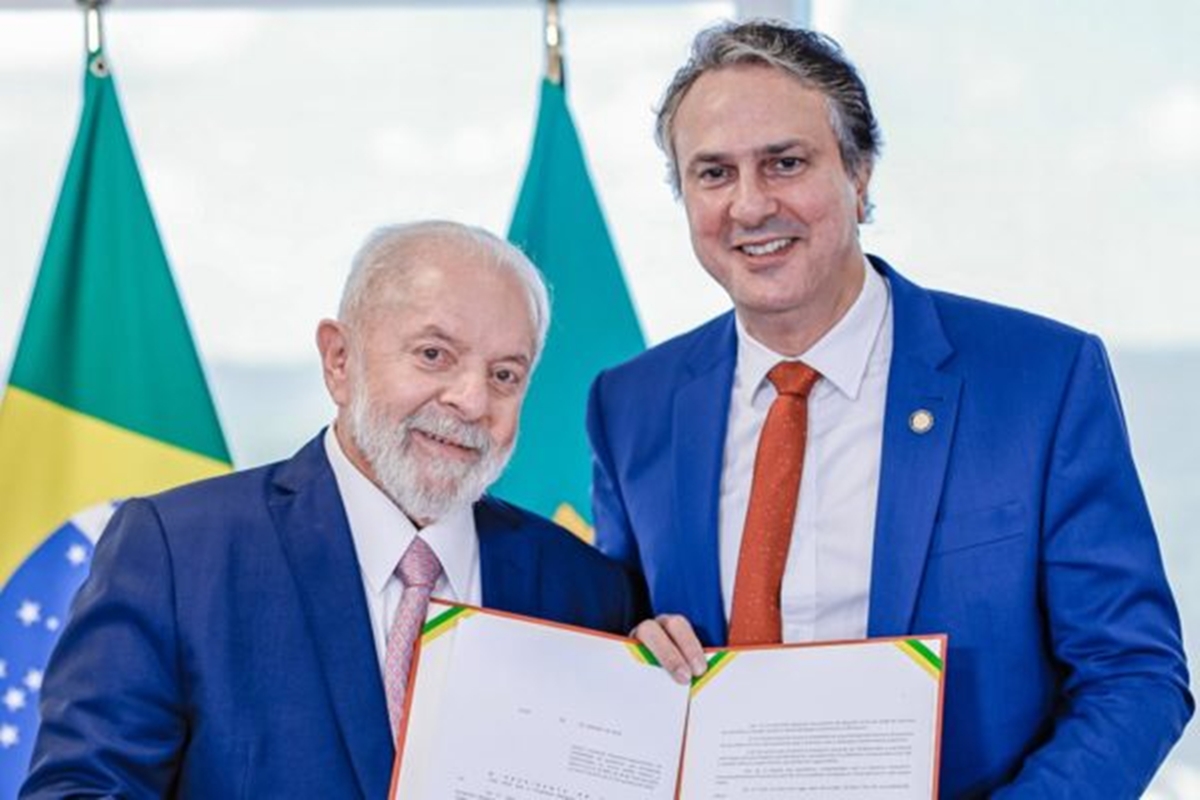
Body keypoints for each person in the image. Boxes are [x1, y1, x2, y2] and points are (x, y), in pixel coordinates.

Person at [598, 20, 1192, 798]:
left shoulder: (1039, 380)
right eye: (714, 173)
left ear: (860, 173)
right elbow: (616, 643)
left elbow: (1135, 674)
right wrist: (630, 656)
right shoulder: (631, 404)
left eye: (785, 163)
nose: (750, 204)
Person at [22, 221, 642, 799]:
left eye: (505, 375)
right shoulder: (176, 553)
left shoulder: (587, 592)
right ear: (339, 360)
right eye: (434, 355)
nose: (472, 400)